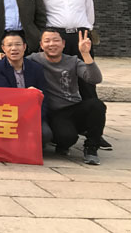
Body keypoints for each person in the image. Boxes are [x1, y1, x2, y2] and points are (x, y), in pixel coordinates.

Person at [38, 0, 103, 125]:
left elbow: (90, 14)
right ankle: (61, 122)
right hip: (57, 39)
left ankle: (92, 126)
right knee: (59, 78)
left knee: (87, 81)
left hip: (81, 37)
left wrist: (85, 31)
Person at [29, 29, 105, 164]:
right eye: (47, 41)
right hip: (55, 113)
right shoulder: (34, 59)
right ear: (41, 45)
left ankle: (91, 148)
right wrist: (1, 55)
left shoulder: (73, 61)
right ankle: (61, 142)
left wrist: (85, 54)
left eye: (56, 40)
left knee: (97, 105)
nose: (52, 44)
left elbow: (95, 78)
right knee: (66, 138)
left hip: (73, 107)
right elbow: (15, 61)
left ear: (63, 43)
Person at [0, 31, 53, 147]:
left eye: (18, 44)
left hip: (31, 113)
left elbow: (44, 97)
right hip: (7, 113)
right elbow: (4, 94)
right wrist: (27, 94)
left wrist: (34, 117)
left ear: (24, 47)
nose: (14, 48)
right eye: (9, 45)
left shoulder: (36, 68)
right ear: (3, 48)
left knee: (45, 134)